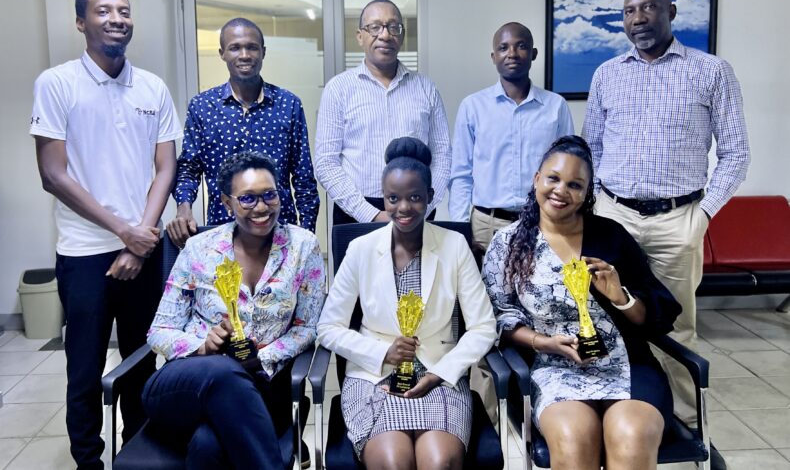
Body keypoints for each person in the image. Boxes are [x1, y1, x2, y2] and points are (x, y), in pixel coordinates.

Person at [583, 0, 749, 467]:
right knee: (604, 316)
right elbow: (591, 148)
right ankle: (608, 408)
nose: (638, 18)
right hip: (613, 217)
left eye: (648, 7)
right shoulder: (607, 74)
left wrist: (703, 215)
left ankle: (689, 427)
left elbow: (736, 154)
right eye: (629, 11)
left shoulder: (711, 71)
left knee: (676, 324)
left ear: (671, 11)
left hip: (679, 217)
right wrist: (595, 211)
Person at [30, 0, 181, 469]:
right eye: (103, 11)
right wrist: (124, 232)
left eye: (124, 10)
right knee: (85, 367)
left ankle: (139, 453)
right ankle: (89, 461)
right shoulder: (57, 83)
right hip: (84, 253)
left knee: (142, 359)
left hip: (145, 246)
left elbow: (165, 168)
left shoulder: (152, 87)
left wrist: (141, 239)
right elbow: (54, 175)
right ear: (81, 22)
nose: (117, 18)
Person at [482, 135, 681, 470]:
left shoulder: (611, 235)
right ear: (537, 180)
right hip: (554, 368)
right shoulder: (509, 243)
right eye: (553, 179)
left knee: (630, 438)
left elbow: (659, 315)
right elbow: (499, 317)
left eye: (575, 184)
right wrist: (544, 343)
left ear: (588, 192)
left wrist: (621, 296)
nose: (561, 191)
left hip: (628, 367)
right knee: (575, 443)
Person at [318, 137, 497, 468]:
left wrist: (442, 373)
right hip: (376, 378)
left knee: (439, 461)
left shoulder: (454, 245)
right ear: (384, 199)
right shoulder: (361, 248)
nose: (403, 208)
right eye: (393, 198)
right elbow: (328, 328)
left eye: (415, 197)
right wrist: (382, 353)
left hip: (438, 377)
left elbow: (484, 326)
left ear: (430, 198)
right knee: (393, 463)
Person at [145, 151, 325, 469]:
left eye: (269, 195)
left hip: (261, 387)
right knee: (223, 369)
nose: (261, 207)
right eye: (247, 199)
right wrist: (202, 348)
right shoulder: (200, 248)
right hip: (186, 385)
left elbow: (308, 327)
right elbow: (159, 331)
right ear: (227, 204)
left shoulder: (302, 246)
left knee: (207, 445)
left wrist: (265, 356)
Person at [168, 17, 319, 247]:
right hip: (223, 231)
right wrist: (183, 208)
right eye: (235, 48)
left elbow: (303, 177)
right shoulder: (203, 106)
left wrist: (307, 236)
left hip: (280, 232)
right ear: (222, 53)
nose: (245, 55)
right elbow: (189, 167)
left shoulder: (288, 105)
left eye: (252, 47)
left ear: (263, 52)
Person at [314, 0, 451, 225]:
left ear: (402, 34)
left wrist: (424, 207)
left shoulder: (426, 88)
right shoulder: (338, 88)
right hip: (355, 212)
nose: (385, 35)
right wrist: (370, 214)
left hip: (416, 210)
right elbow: (326, 162)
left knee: (419, 263)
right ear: (360, 36)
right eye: (375, 27)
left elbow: (442, 155)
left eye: (393, 26)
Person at [449, 21, 574, 254]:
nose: (512, 54)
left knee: (540, 290)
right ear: (493, 56)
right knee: (485, 291)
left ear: (533, 54)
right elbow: (461, 173)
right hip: (486, 227)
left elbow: (568, 172)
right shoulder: (473, 107)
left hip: (542, 222)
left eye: (521, 46)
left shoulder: (555, 107)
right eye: (503, 48)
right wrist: (461, 227)